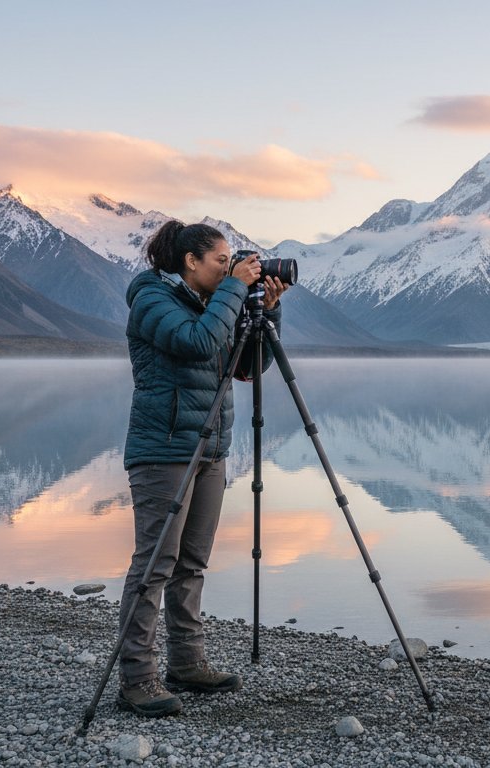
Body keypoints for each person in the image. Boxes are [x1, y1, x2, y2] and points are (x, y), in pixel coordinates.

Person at [116, 220, 287, 717]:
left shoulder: (211, 304)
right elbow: (197, 343)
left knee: (191, 563)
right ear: (191, 262)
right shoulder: (152, 301)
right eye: (221, 261)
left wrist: (268, 310)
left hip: (211, 448)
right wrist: (236, 288)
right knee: (153, 567)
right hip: (164, 450)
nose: (231, 268)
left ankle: (186, 663)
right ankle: (136, 679)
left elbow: (246, 365)